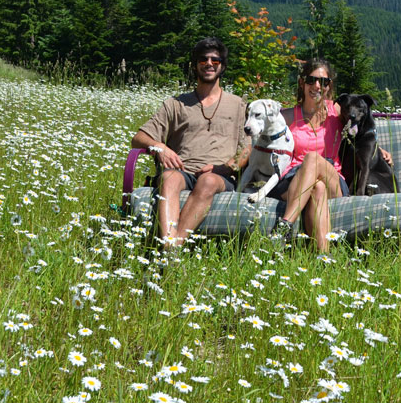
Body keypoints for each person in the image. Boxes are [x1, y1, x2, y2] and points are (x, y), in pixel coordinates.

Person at [131, 38, 248, 249]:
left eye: (215, 59)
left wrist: (226, 166)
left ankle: (172, 248)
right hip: (182, 171)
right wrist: (161, 148)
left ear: (223, 65)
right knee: (168, 177)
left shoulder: (238, 105)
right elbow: (139, 137)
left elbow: (248, 147)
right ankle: (168, 244)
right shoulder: (175, 104)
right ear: (195, 65)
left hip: (220, 177)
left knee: (208, 181)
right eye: (203, 59)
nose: (209, 63)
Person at [267, 59, 348, 252]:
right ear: (302, 83)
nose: (317, 86)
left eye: (324, 82)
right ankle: (323, 258)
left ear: (329, 86)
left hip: (333, 178)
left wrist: (378, 148)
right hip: (293, 178)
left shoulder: (335, 111)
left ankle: (284, 225)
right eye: (311, 80)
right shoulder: (286, 116)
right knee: (317, 188)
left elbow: (362, 123)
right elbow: (259, 138)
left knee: (312, 158)